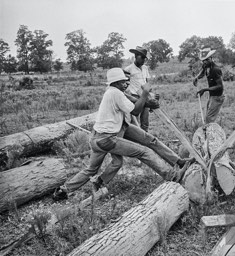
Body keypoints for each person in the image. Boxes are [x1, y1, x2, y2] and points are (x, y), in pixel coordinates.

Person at [53, 68, 194, 201]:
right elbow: (136, 111)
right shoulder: (115, 93)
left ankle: (64, 190)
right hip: (107, 139)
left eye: (126, 81)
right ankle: (172, 176)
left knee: (140, 146)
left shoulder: (113, 91)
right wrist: (145, 93)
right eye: (123, 81)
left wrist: (148, 102)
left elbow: (134, 101)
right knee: (144, 151)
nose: (126, 83)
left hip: (104, 134)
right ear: (115, 83)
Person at [193, 47, 225, 123]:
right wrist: (196, 78)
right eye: (203, 60)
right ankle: (209, 132)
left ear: (211, 58)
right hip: (212, 96)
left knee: (209, 118)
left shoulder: (215, 69)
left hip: (218, 97)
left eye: (207, 59)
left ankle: (211, 133)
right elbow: (203, 72)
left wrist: (205, 90)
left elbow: (220, 86)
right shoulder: (206, 66)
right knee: (208, 117)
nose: (205, 62)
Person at [124, 46, 152, 132]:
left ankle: (146, 139)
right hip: (134, 97)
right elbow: (125, 85)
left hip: (145, 96)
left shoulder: (145, 68)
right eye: (142, 57)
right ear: (136, 56)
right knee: (135, 121)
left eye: (145, 58)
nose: (143, 60)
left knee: (145, 121)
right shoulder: (128, 69)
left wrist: (150, 98)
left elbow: (147, 82)